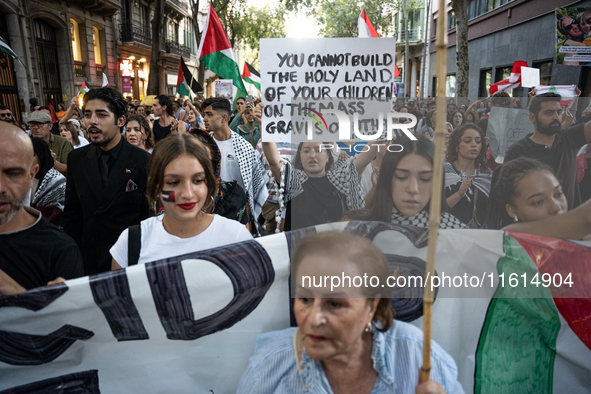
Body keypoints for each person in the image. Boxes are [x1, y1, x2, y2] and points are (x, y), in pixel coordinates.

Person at [237, 231, 463, 394]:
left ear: (371, 307)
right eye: (305, 298)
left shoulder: (420, 358)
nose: (313, 319)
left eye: (335, 304)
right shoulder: (270, 365)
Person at [110, 134, 252, 268]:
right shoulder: (130, 244)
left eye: (197, 180)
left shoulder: (236, 237)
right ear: (156, 187)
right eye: (173, 182)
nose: (188, 194)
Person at [63, 87, 151, 275]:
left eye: (101, 115)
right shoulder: (76, 159)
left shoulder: (143, 161)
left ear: (120, 121)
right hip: (89, 262)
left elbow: (148, 218)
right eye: (87, 115)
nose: (92, 121)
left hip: (129, 262)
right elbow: (72, 214)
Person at [0, 122, 83, 293]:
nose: (1, 187)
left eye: (13, 174)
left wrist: (17, 293)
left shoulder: (60, 250)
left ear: (32, 175)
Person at [346, 135, 467, 229]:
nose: (413, 189)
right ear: (387, 178)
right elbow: (351, 173)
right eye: (402, 177)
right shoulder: (360, 229)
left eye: (425, 179)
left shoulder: (454, 232)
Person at [504, 92, 591, 210]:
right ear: (532, 117)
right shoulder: (517, 151)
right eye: (549, 113)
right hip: (536, 225)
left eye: (559, 112)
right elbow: (509, 194)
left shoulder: (569, 138)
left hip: (571, 223)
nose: (556, 117)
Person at [203, 97, 268, 228]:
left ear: (224, 118)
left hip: (238, 213)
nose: (204, 119)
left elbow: (252, 186)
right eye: (204, 114)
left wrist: (247, 215)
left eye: (209, 114)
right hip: (207, 211)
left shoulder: (244, 147)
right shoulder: (201, 145)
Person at [485, 157, 568, 230]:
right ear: (512, 210)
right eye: (538, 202)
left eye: (558, 194)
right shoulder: (506, 242)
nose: (556, 207)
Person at [443, 124, 492, 228]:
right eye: (467, 141)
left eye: (478, 142)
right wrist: (458, 195)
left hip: (478, 237)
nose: (474, 145)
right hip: (448, 235)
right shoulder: (442, 172)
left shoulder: (487, 175)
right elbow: (436, 209)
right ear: (456, 146)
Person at [29, 137, 66, 226]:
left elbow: (56, 214)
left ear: (42, 155)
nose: (26, 158)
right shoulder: (20, 175)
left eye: (32, 155)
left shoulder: (56, 180)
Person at [28, 110, 72, 176]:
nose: (35, 127)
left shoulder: (63, 142)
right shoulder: (24, 144)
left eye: (40, 124)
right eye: (32, 124)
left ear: (50, 126)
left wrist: (52, 161)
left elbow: (69, 170)